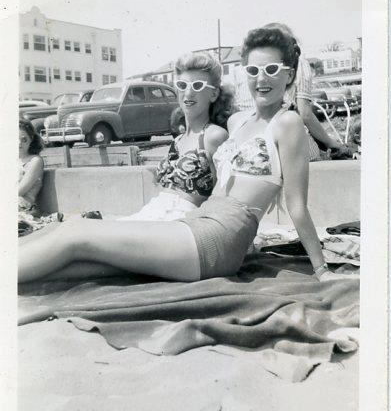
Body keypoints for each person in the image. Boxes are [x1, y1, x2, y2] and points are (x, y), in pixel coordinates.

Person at [19, 26, 337, 284]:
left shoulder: (288, 122)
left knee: (78, 234)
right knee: (80, 257)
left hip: (220, 239)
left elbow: (297, 207)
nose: (261, 78)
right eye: (253, 69)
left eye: (271, 69)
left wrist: (321, 271)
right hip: (197, 222)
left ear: (290, 75)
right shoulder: (239, 121)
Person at [119, 51, 234, 221]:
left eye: (197, 86)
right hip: (155, 214)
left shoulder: (214, 136)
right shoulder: (178, 141)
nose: (188, 94)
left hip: (182, 223)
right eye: (182, 85)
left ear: (214, 94)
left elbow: (224, 196)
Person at [264, 23, 350, 160]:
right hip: (291, 139)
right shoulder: (299, 64)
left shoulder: (256, 67)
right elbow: (305, 113)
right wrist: (331, 143)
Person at [19, 118, 44, 224]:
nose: (19, 143)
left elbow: (20, 190)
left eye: (24, 139)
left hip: (22, 209)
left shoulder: (35, 161)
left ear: (31, 139)